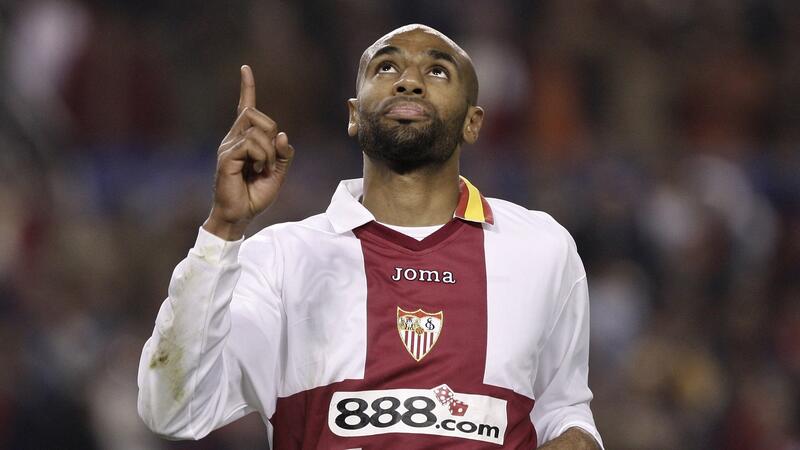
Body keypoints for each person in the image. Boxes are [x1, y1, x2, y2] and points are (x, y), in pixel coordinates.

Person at [137, 24, 603, 449]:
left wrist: (578, 438)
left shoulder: (541, 249)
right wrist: (223, 227)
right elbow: (172, 409)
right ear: (354, 114)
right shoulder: (279, 259)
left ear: (473, 122)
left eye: (437, 71)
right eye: (386, 67)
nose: (409, 81)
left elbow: (563, 409)